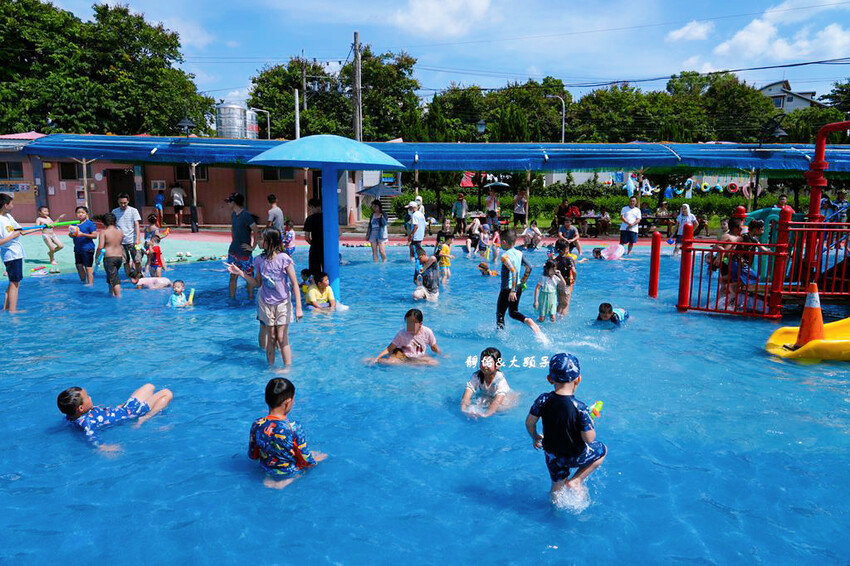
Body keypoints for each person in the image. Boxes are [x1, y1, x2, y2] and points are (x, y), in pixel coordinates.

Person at [525, 353, 607, 500]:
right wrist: (590, 422)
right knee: (602, 450)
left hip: (552, 454)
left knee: (556, 485)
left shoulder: (542, 399)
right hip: (574, 455)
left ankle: (554, 512)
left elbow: (529, 423)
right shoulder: (580, 408)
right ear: (578, 380)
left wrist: (535, 436)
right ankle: (576, 481)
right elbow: (589, 438)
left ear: (550, 379)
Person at [226, 227, 303, 370]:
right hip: (266, 303)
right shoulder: (259, 260)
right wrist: (240, 273)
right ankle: (270, 368)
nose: (259, 242)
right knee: (271, 338)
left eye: (262, 239)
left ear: (270, 241)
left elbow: (294, 284)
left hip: (283, 302)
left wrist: (298, 307)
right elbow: (257, 283)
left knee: (281, 337)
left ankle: (287, 368)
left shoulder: (284, 258)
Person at [249, 377, 327, 489]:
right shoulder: (294, 427)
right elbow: (305, 459)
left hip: (266, 468)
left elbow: (253, 455)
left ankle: (269, 477)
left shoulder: (257, 423)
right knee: (322, 456)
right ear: (288, 402)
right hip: (288, 471)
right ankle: (288, 480)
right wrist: (315, 462)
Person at [57, 383, 173, 452]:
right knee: (167, 393)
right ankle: (146, 417)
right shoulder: (86, 422)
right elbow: (91, 437)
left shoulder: (70, 416)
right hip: (134, 413)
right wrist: (104, 447)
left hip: (123, 408)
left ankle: (126, 405)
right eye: (87, 397)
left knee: (149, 386)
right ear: (80, 408)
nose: (90, 397)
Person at [496, 229, 541, 335]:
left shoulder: (505, 256)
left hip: (508, 289)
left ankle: (500, 336)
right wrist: (523, 281)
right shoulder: (519, 253)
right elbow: (529, 268)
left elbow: (514, 271)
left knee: (500, 314)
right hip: (518, 285)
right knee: (513, 312)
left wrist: (513, 290)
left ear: (503, 242)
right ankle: (527, 320)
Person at [373, 308, 441, 365]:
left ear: (420, 324)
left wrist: (441, 355)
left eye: (413, 323)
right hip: (402, 355)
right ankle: (372, 360)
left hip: (418, 357)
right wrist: (377, 358)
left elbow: (433, 346)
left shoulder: (427, 332)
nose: (410, 326)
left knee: (434, 363)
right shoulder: (402, 333)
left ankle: (409, 364)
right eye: (408, 323)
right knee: (392, 362)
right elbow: (389, 348)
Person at [460, 347, 513, 418]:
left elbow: (497, 402)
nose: (485, 365)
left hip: (505, 398)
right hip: (489, 395)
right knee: (479, 402)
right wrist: (464, 409)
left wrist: (486, 414)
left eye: (488, 363)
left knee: (501, 409)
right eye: (483, 362)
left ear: (497, 365)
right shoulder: (477, 376)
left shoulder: (500, 380)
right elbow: (468, 392)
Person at [225, 192, 259, 300]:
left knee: (249, 277)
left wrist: (253, 247)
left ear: (234, 202)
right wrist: (234, 241)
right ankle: (231, 300)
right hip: (233, 252)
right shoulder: (234, 214)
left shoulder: (246, 215)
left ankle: (250, 299)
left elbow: (256, 231)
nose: (228, 204)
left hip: (244, 253)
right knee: (232, 277)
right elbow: (233, 229)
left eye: (229, 201)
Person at [0, 193, 27, 312]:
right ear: (6, 205)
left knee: (13, 283)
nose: (13, 205)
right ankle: (13, 311)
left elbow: (21, 230)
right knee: (15, 284)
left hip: (16, 253)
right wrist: (12, 236)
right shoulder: (0, 220)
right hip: (11, 254)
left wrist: (42, 227)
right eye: (11, 203)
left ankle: (6, 309)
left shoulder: (8, 217)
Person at [112, 193, 142, 277]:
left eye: (125, 203)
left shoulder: (133, 210)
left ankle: (139, 274)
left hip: (133, 240)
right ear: (118, 202)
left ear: (128, 201)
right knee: (125, 261)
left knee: (137, 260)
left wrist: (138, 238)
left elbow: (137, 224)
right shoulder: (114, 212)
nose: (123, 205)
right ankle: (129, 276)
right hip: (120, 242)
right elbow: (113, 225)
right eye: (121, 203)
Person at [95, 212, 124, 298]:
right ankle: (110, 294)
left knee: (114, 279)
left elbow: (100, 247)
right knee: (111, 276)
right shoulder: (120, 232)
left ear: (103, 223)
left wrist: (96, 257)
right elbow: (120, 244)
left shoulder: (104, 232)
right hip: (119, 257)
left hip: (109, 258)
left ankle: (118, 297)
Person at [69, 206, 97, 285]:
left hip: (88, 248)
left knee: (88, 267)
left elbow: (95, 236)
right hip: (78, 248)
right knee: (79, 265)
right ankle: (83, 281)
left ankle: (90, 284)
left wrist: (83, 234)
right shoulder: (73, 224)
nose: (80, 214)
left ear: (86, 214)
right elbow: (71, 235)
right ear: (76, 214)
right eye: (78, 213)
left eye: (82, 212)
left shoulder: (90, 224)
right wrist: (71, 234)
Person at [303, 198, 324, 278]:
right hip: (327, 247)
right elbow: (339, 233)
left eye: (310, 208)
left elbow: (307, 237)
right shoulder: (327, 218)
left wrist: (313, 243)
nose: (310, 210)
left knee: (314, 271)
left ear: (313, 207)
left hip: (315, 247)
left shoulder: (310, 219)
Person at [555, 246, 577, 315]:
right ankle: (562, 320)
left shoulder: (556, 259)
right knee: (565, 304)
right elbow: (574, 271)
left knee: (560, 302)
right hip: (567, 284)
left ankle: (555, 316)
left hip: (558, 283)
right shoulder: (569, 259)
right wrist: (574, 279)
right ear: (565, 249)